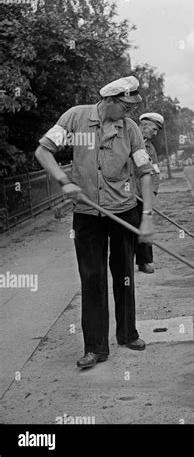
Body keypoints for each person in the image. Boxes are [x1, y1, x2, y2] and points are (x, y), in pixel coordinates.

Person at [35, 76, 155, 369]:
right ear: (109, 101)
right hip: (87, 215)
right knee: (92, 278)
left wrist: (148, 215)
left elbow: (145, 172)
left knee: (124, 274)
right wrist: (64, 181)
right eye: (125, 106)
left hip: (123, 211)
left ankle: (128, 334)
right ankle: (96, 348)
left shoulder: (131, 130)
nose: (129, 112)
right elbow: (43, 151)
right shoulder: (75, 119)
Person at [135, 112, 163, 274]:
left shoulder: (150, 148)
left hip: (143, 195)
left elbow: (155, 172)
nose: (155, 133)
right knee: (127, 229)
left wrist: (152, 193)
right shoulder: (130, 141)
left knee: (144, 226)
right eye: (154, 129)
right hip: (128, 194)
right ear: (144, 127)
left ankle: (144, 261)